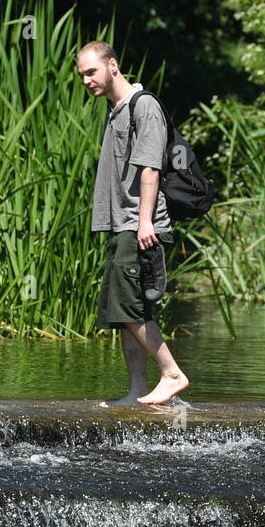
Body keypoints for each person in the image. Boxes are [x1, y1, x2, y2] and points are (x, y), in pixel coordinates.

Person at [76, 40, 189, 406]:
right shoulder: (115, 110)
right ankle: (138, 388)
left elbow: (150, 168)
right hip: (123, 224)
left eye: (91, 71)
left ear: (113, 65)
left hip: (141, 226)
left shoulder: (145, 107)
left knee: (127, 306)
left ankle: (172, 373)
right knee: (128, 311)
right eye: (81, 75)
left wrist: (144, 223)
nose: (86, 80)